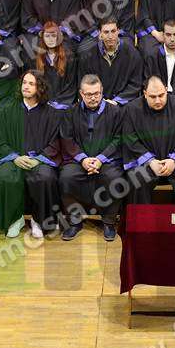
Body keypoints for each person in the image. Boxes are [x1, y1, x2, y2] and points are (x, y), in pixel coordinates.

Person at [0, 71, 61, 238]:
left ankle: (38, 220)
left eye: (31, 84)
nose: (26, 87)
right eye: (24, 83)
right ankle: (15, 220)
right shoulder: (6, 110)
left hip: (39, 160)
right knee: (5, 176)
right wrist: (15, 157)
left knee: (45, 177)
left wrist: (38, 159)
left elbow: (55, 142)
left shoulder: (51, 114)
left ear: (40, 88)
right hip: (14, 158)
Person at [59, 74, 124, 242]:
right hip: (78, 160)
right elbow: (67, 139)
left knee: (113, 177)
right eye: (89, 94)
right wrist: (83, 159)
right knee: (67, 177)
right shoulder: (71, 112)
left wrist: (101, 159)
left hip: (107, 159)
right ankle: (74, 222)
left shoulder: (115, 112)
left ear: (102, 91)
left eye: (96, 93)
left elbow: (118, 139)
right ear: (81, 93)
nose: (93, 97)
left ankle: (109, 222)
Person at [123, 76, 175, 204]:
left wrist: (173, 160)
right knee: (138, 179)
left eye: (161, 95)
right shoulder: (132, 109)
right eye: (153, 97)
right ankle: (142, 218)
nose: (158, 100)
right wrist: (150, 161)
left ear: (166, 90)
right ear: (145, 93)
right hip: (146, 163)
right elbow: (130, 139)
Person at [77, 17, 142, 106]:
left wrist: (116, 101)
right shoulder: (88, 56)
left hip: (123, 105)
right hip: (96, 104)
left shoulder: (132, 54)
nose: (110, 36)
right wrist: (99, 101)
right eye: (106, 32)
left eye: (113, 31)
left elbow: (135, 84)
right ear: (100, 33)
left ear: (118, 31)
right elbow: (84, 84)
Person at [31, 20, 78, 109]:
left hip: (64, 104)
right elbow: (38, 84)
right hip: (44, 103)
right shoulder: (38, 58)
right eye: (47, 36)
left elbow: (71, 84)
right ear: (42, 38)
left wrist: (58, 104)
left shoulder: (69, 57)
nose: (50, 39)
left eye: (53, 35)